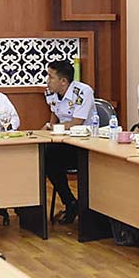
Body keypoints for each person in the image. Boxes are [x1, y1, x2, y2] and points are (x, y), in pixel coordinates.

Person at [43, 60, 97, 224]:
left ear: (63, 81)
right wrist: (46, 130)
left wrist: (52, 128)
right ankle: (70, 202)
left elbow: (76, 123)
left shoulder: (83, 92)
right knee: (43, 157)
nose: (47, 81)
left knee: (50, 158)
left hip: (85, 144)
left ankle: (77, 204)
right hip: (63, 142)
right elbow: (54, 115)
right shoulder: (50, 92)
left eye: (51, 77)